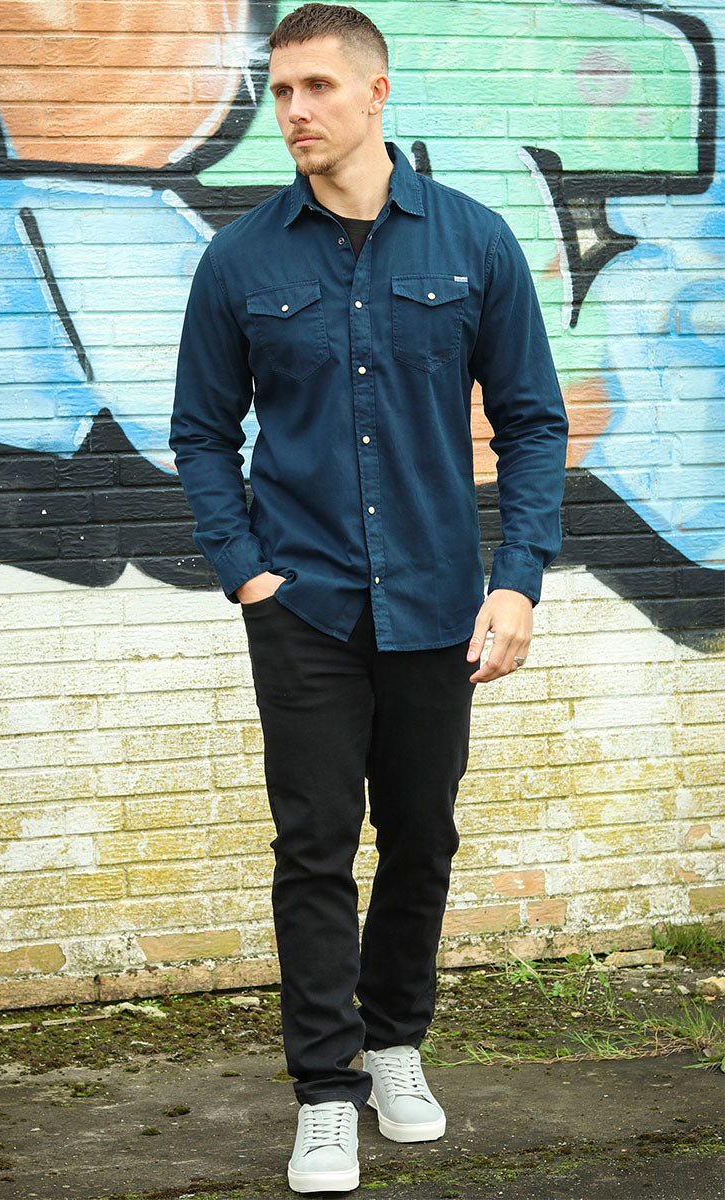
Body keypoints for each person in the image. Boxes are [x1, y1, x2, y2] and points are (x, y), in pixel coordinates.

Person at [170, 4, 568, 1192]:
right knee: (313, 847)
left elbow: (532, 421)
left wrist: (516, 581)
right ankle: (324, 1091)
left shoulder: (472, 242)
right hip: (302, 605)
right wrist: (246, 570)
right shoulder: (240, 260)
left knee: (421, 837)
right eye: (280, 90)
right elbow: (200, 434)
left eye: (316, 87)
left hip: (437, 602)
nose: (292, 111)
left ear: (375, 93)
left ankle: (394, 1044)